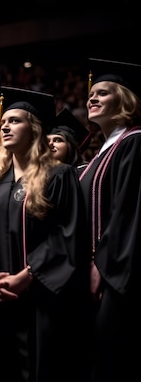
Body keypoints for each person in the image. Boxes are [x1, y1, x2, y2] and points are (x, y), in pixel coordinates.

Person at [0, 86, 91, 382]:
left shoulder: (59, 175)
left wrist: (26, 276)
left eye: (15, 120)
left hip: (39, 295)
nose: (5, 125)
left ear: (35, 129)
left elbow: (66, 234)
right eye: (4, 122)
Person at [79, 58, 141, 382]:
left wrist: (102, 265)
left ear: (124, 98)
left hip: (114, 275)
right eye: (90, 93)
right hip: (92, 274)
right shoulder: (101, 153)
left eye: (101, 93)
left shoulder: (134, 142)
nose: (90, 98)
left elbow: (127, 213)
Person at [47, 107, 91, 172]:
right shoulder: (38, 174)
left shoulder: (84, 173)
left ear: (70, 146)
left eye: (57, 140)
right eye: (46, 141)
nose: (50, 144)